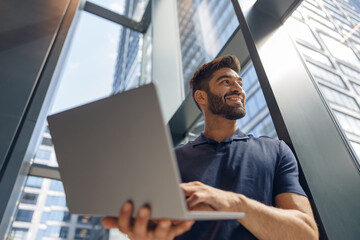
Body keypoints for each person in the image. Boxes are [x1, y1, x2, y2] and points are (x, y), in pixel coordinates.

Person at [102, 55, 319, 240]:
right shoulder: (171, 161)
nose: (238, 89)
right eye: (226, 82)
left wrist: (234, 203)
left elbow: (306, 233)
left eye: (240, 83)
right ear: (201, 96)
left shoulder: (276, 150)